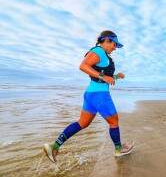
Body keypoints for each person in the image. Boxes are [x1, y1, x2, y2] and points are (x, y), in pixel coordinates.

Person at [43, 30, 134, 163]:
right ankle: (118, 149)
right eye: (114, 44)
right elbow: (83, 66)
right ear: (107, 40)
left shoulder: (103, 55)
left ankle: (54, 146)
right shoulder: (98, 51)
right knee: (114, 121)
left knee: (82, 123)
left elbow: (100, 75)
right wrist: (105, 77)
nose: (115, 48)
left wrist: (115, 76)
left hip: (91, 95)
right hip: (100, 95)